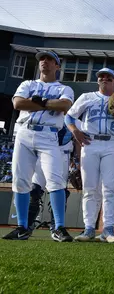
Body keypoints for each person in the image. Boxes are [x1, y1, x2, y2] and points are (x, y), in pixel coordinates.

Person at [3, 51, 74, 242]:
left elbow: (65, 105)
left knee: (55, 180)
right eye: (42, 59)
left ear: (57, 66)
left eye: (50, 59)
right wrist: (49, 104)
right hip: (24, 132)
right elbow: (18, 103)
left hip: (49, 135)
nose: (45, 62)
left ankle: (58, 227)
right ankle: (23, 227)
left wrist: (37, 102)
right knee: (20, 180)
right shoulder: (28, 84)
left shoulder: (64, 88)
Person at [66, 68, 114, 243]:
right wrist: (75, 132)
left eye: (109, 77)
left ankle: (108, 229)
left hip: (111, 144)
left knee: (110, 188)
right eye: (101, 77)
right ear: (98, 81)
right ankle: (88, 228)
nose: (104, 79)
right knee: (90, 188)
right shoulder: (87, 97)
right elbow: (69, 117)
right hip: (90, 143)